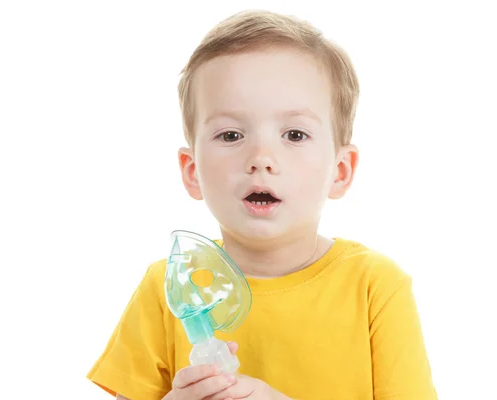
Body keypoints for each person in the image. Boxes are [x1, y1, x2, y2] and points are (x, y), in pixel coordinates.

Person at [86, 9, 437, 400]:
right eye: (232, 134)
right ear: (192, 171)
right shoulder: (169, 289)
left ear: (340, 170)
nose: (261, 157)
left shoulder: (375, 288)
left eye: (295, 133)